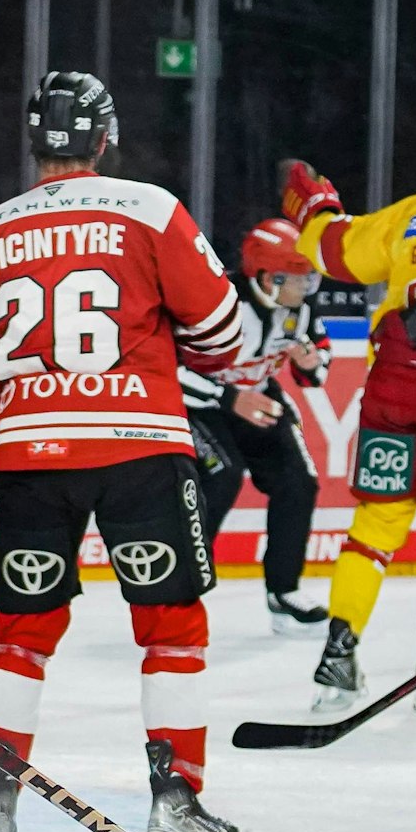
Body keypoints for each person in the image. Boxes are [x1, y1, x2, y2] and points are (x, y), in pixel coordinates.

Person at [0, 70, 244, 832]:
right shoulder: (149, 209)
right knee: (172, 629)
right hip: (140, 448)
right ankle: (177, 797)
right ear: (105, 138)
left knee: (20, 633)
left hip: (31, 456)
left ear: (35, 143)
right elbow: (223, 332)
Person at [286, 131, 416, 711]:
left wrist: (317, 206)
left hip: (391, 384)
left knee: (377, 522)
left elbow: (333, 252)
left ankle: (337, 653)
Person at [178, 217, 330, 635]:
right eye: (298, 278)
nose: (306, 289)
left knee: (299, 482)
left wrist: (313, 366)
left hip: (258, 396)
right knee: (221, 476)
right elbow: (166, 364)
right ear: (267, 275)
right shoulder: (215, 301)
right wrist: (229, 398)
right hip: (200, 406)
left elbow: (318, 357)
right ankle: (181, 590)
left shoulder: (299, 307)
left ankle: (284, 591)